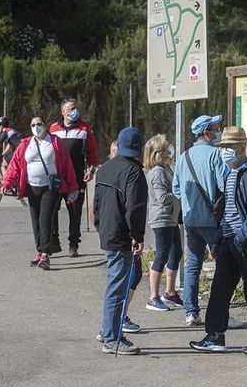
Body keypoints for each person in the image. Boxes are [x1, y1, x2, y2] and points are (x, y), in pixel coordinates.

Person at [190, 126, 247, 355]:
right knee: (219, 289)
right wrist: (219, 239)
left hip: (244, 243)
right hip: (229, 240)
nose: (224, 151)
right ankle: (215, 336)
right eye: (223, 147)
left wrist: (239, 239)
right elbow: (227, 212)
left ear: (241, 148)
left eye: (229, 147)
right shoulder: (230, 174)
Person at [93, 127, 147, 355]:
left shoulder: (105, 168)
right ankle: (111, 337)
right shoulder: (133, 172)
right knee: (117, 286)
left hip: (106, 231)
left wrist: (99, 226)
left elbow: (96, 204)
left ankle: (107, 330)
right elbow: (134, 208)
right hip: (121, 235)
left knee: (114, 284)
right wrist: (138, 236)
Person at [2, 116, 79, 270]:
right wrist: (7, 182)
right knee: (35, 221)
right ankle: (39, 250)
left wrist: (73, 187)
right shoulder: (25, 144)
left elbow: (67, 165)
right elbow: (15, 165)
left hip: (50, 188)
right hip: (32, 188)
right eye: (33, 125)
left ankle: (45, 253)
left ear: (45, 125)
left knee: (45, 219)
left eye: (39, 124)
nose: (36, 127)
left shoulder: (55, 142)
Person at [172, 114, 226, 326]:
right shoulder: (216, 155)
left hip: (190, 219)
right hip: (212, 220)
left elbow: (176, 188)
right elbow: (223, 185)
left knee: (193, 265)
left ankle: (191, 312)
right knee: (223, 267)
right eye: (215, 127)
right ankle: (220, 313)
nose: (218, 130)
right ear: (205, 131)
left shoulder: (183, 156)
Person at [49, 98, 99, 258]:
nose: (74, 111)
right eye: (70, 108)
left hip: (77, 178)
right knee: (52, 210)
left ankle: (73, 244)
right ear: (63, 112)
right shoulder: (53, 128)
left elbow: (92, 152)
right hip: (57, 177)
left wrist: (91, 170)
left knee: (75, 212)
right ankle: (53, 241)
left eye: (75, 107)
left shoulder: (85, 128)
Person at [142, 134, 183, 312]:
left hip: (171, 218)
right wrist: (180, 195)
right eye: (166, 148)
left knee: (176, 253)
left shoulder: (165, 167)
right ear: (159, 152)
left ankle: (170, 292)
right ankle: (153, 296)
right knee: (162, 255)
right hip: (162, 218)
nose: (169, 150)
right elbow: (162, 197)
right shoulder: (157, 171)